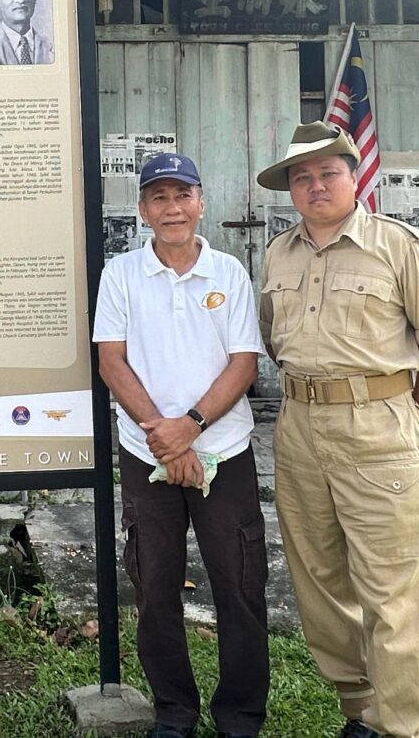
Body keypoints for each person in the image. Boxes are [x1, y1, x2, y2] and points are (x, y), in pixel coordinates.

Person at [256, 122, 419, 738]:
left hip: (380, 427)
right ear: (291, 191)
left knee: (396, 590)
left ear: (355, 178)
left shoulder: (399, 246)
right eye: (302, 177)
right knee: (319, 582)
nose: (316, 185)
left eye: (328, 173)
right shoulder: (277, 253)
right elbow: (275, 341)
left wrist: (400, 417)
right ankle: (364, 710)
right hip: (299, 429)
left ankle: (411, 726)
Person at [93, 152, 269, 738]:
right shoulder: (120, 275)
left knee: (240, 586)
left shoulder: (229, 274)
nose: (173, 208)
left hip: (225, 450)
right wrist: (165, 439)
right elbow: (111, 362)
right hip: (147, 454)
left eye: (182, 195)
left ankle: (240, 716)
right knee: (155, 587)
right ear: (143, 210)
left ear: (200, 202)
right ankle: (173, 711)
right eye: (159, 198)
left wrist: (190, 427)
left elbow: (244, 363)